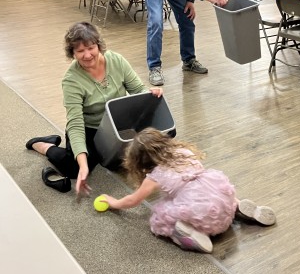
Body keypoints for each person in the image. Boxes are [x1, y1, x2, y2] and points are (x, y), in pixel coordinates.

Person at [25, 22, 163, 196]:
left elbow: (138, 90)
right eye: (80, 51)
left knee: (131, 157)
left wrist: (150, 92)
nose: (87, 55)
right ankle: (42, 144)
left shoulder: (116, 60)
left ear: (98, 45)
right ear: (72, 53)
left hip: (115, 124)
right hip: (89, 127)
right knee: (75, 168)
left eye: (91, 48)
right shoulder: (71, 80)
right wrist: (83, 165)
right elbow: (75, 123)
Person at [99, 128, 276, 253]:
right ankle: (238, 207)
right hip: (219, 199)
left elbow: (133, 200)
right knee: (218, 194)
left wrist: (113, 202)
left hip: (203, 213)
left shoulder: (155, 177)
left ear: (139, 163)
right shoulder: (183, 151)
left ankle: (193, 235)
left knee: (159, 219)